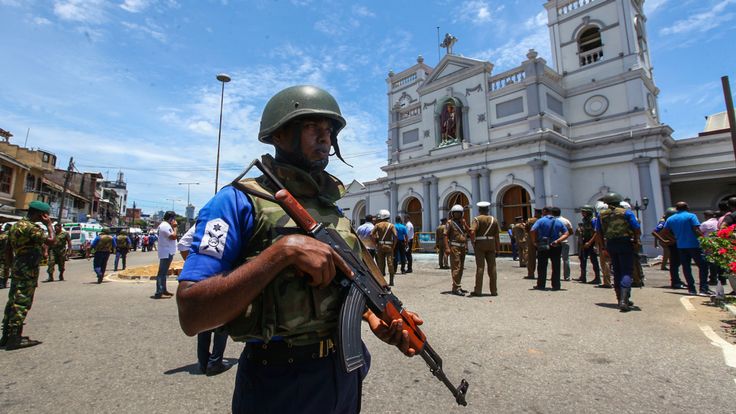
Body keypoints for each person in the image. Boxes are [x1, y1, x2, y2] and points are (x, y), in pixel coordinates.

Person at [175, 85, 421, 413]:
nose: (326, 138)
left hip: (343, 373)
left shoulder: (330, 208)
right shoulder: (236, 202)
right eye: (312, 128)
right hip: (278, 381)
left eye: (330, 130)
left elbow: (344, 283)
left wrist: (373, 318)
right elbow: (192, 314)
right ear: (279, 135)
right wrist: (283, 252)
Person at [1, 200, 55, 350]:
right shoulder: (32, 228)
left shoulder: (14, 227)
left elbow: (7, 250)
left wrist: (11, 266)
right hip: (28, 267)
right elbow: (51, 241)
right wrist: (49, 225)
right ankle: (15, 339)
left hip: (18, 266)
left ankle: (6, 335)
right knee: (22, 301)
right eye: (45, 215)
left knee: (13, 300)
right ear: (40, 214)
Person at [178, 225, 230, 376]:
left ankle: (203, 361)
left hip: (202, 278)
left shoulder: (202, 224)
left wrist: (194, 266)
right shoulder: (219, 221)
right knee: (222, 321)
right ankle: (215, 362)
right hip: (218, 276)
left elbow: (183, 244)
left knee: (205, 321)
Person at [596, 193, 641, 311]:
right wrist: (636, 240)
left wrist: (603, 248)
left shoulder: (601, 215)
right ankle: (624, 299)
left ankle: (620, 298)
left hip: (611, 244)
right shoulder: (626, 212)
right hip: (625, 242)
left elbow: (599, 233)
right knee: (626, 271)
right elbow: (636, 228)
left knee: (617, 271)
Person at [660, 202, 712, 296]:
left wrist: (674, 239)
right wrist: (704, 240)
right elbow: (696, 229)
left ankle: (691, 289)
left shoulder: (671, 218)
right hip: (694, 245)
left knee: (686, 267)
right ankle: (703, 288)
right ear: (687, 207)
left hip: (681, 246)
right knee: (703, 266)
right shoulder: (691, 216)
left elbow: (663, 232)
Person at [531, 206, 569, 291]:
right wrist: (558, 240)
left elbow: (532, 230)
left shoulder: (540, 221)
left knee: (542, 266)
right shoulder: (558, 221)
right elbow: (566, 233)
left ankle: (541, 285)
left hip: (543, 245)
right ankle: (556, 285)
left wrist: (534, 242)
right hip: (555, 245)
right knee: (556, 266)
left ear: (545, 212)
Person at [469, 202, 500, 297]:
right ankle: (494, 290)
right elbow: (497, 236)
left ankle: (478, 290)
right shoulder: (494, 220)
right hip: (491, 244)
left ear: (479, 210)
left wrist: (473, 241)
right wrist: (498, 249)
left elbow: (472, 231)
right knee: (492, 267)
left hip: (480, 244)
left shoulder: (476, 219)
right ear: (488, 210)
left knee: (480, 267)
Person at [444, 204, 469, 296]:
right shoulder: (449, 223)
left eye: (459, 213)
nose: (457, 215)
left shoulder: (462, 223)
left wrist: (465, 224)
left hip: (462, 247)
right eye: (456, 213)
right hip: (454, 247)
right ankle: (456, 287)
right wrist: (447, 247)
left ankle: (458, 285)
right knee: (456, 267)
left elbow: (469, 232)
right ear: (452, 214)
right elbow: (445, 235)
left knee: (461, 267)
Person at [153, 211, 178, 299]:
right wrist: (175, 228)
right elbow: (173, 236)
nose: (174, 220)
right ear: (171, 218)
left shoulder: (166, 225)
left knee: (163, 273)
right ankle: (159, 291)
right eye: (173, 218)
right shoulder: (164, 226)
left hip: (167, 251)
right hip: (166, 252)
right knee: (162, 273)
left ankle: (163, 290)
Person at [371, 209, 398, 286]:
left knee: (380, 263)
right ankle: (391, 280)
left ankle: (381, 280)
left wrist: (375, 243)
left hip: (380, 246)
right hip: (389, 246)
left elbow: (371, 234)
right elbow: (395, 236)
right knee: (390, 263)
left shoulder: (377, 225)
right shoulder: (391, 225)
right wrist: (394, 246)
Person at [575, 205, 601, 284]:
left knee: (594, 260)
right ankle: (583, 276)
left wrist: (590, 242)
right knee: (582, 259)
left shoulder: (593, 220)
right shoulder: (585, 220)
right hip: (584, 241)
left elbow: (596, 233)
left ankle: (597, 278)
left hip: (591, 242)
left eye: (584, 212)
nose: (582, 213)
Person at [552, 207, 573, 281]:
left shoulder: (552, 221)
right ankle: (567, 276)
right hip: (564, 241)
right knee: (566, 259)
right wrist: (564, 237)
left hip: (554, 242)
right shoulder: (565, 220)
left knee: (555, 260)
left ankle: (556, 276)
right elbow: (571, 231)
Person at [524, 212, 540, 279]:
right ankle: (541, 274)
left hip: (531, 239)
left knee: (531, 257)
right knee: (542, 258)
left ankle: (531, 274)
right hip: (540, 239)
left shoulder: (530, 220)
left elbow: (526, 229)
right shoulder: (542, 220)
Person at [0, 224, 9, 289]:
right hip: (5, 254)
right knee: (4, 268)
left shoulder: (3, 236)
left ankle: (2, 283)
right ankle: (2, 283)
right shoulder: (4, 236)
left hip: (4, 254)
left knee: (3, 268)